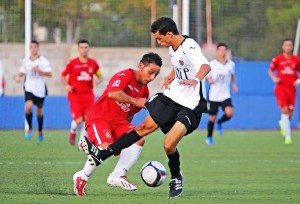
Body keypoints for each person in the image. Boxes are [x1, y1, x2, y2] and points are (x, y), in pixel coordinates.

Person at [81, 17, 211, 198]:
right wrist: (171, 76)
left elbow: (205, 65)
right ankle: (102, 154)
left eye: (159, 38)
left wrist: (195, 80)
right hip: (172, 97)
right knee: (142, 129)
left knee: (168, 145)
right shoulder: (172, 48)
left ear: (170, 34)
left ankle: (176, 177)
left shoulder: (190, 46)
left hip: (190, 105)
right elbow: (180, 64)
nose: (158, 42)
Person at [73, 52, 162, 195]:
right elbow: (113, 93)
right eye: (150, 72)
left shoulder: (144, 91)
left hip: (119, 122)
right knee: (106, 148)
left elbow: (130, 115)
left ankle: (117, 175)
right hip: (99, 118)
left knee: (138, 138)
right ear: (141, 66)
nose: (152, 78)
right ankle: (82, 176)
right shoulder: (125, 75)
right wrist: (135, 100)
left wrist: (122, 139)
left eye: (155, 75)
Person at [61, 39, 102, 149]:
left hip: (88, 96)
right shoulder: (72, 63)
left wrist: (97, 81)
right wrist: (67, 85)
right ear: (79, 49)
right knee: (79, 120)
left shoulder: (93, 64)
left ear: (89, 49)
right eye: (82, 47)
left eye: (86, 47)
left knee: (88, 120)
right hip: (75, 96)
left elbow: (100, 76)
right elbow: (63, 75)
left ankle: (81, 143)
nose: (84, 50)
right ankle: (72, 129)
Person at [15, 40, 52, 141]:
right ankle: (30, 128)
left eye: (35, 47)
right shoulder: (26, 60)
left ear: (38, 48)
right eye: (31, 47)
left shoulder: (43, 61)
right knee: (28, 106)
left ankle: (40, 130)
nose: (33, 49)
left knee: (39, 112)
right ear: (29, 48)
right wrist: (18, 77)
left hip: (40, 89)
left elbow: (50, 74)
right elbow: (22, 71)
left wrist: (39, 71)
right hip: (29, 88)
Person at [268, 38, 300, 145]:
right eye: (286, 45)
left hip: (292, 89)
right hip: (281, 88)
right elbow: (270, 71)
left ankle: (282, 123)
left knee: (289, 115)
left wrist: (298, 80)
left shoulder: (296, 60)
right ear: (283, 47)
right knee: (285, 111)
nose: (288, 47)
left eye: (290, 45)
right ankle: (288, 136)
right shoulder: (278, 59)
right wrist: (274, 78)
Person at [205, 43, 238, 145]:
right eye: (220, 50)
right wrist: (209, 79)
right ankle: (209, 137)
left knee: (230, 114)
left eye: (224, 50)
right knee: (212, 117)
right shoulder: (212, 64)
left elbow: (232, 75)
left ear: (226, 52)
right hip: (214, 95)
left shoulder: (231, 64)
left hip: (225, 95)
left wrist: (234, 85)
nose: (222, 52)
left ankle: (220, 122)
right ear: (217, 51)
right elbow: (206, 75)